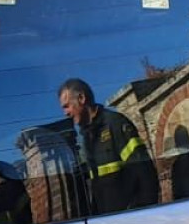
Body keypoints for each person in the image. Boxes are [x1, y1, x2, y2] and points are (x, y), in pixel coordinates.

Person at [57, 78, 160, 215]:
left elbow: (145, 175)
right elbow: (97, 187)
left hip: (130, 221)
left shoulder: (115, 123)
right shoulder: (87, 139)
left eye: (66, 106)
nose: (66, 113)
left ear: (81, 98)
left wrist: (138, 216)